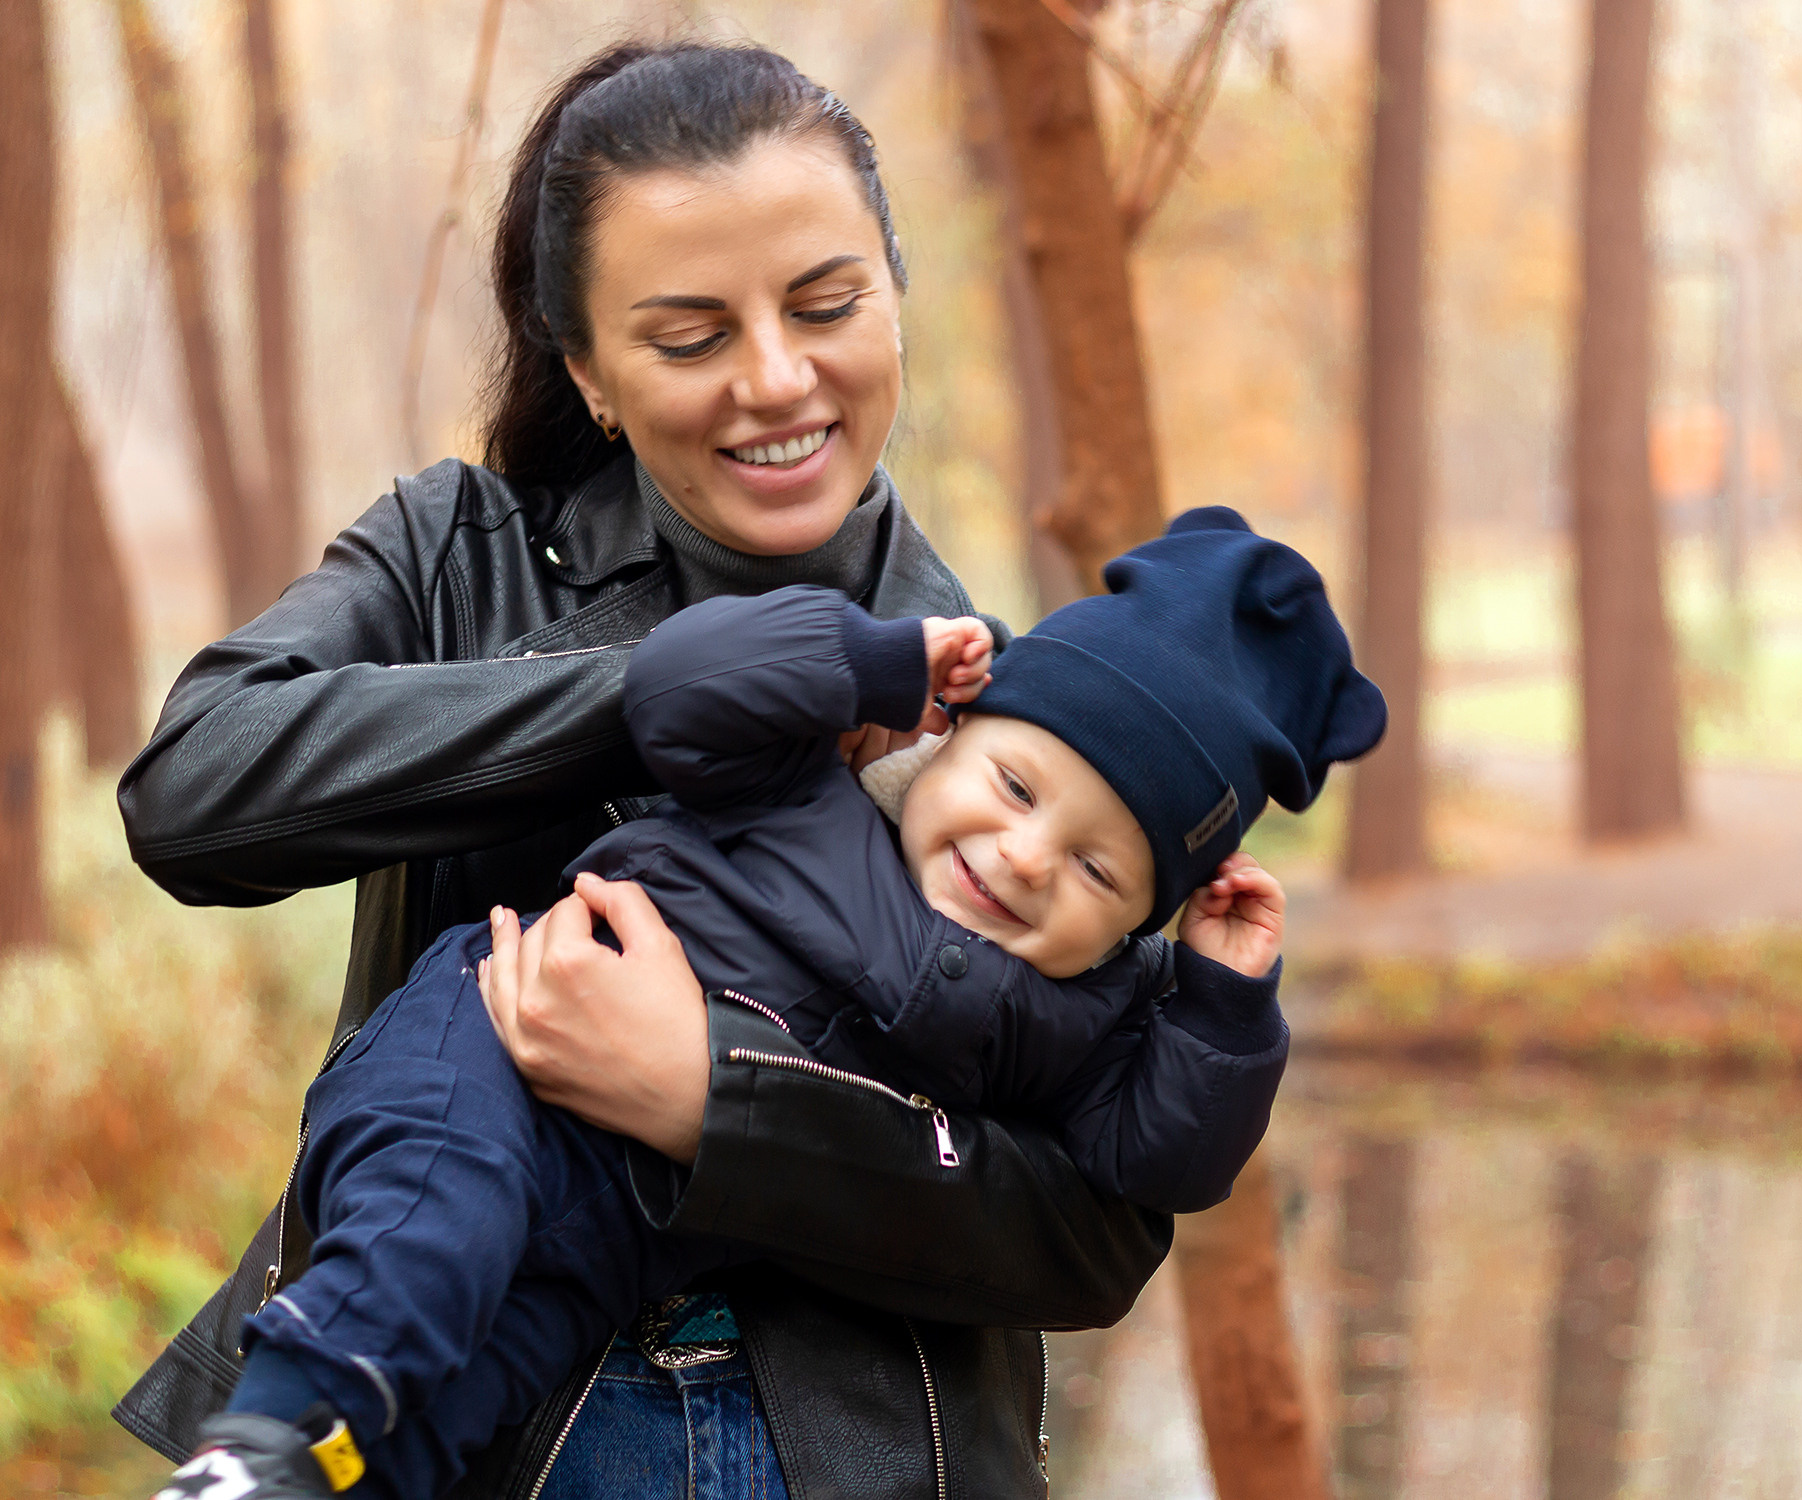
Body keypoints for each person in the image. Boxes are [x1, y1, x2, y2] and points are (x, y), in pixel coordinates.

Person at [118, 39, 1169, 1500]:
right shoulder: (455, 556)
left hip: (866, 1461)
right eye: (689, 337)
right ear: (588, 374)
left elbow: (1095, 1227)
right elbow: (189, 794)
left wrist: (710, 1102)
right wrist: (661, 701)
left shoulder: (1020, 706)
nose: (778, 377)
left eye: (825, 305)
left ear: (894, 298)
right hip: (477, 1428)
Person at [148, 512, 1384, 1499]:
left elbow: (1148, 1165)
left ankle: (329, 1479)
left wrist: (1224, 1002)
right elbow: (680, 695)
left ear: (1135, 926)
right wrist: (873, 658)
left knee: (493, 1366)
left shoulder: (1084, 1010)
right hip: (495, 1041)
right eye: (1014, 785)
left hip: (632, 1227)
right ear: (952, 736)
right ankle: (265, 1441)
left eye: (1098, 869)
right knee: (431, 1224)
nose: (1022, 858)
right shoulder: (815, 788)